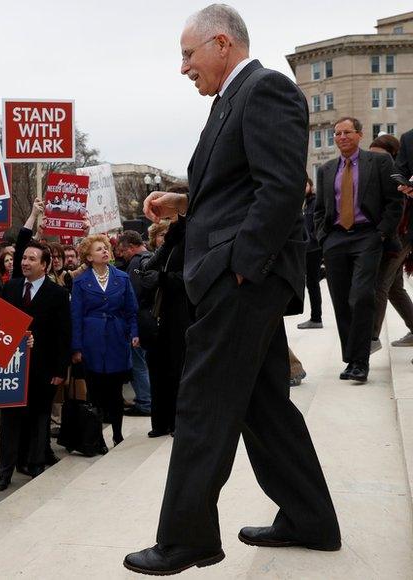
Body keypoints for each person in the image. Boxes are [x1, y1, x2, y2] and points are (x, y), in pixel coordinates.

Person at [125, 6, 341, 574]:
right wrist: (184, 200)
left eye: (188, 55)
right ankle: (310, 518)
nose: (183, 68)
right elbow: (237, 181)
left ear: (221, 43)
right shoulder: (233, 99)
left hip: (243, 278)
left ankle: (187, 537)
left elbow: (280, 188)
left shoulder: (265, 89)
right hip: (239, 274)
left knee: (201, 403)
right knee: (264, 405)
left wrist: (242, 266)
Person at [314, 116, 403, 382]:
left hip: (368, 236)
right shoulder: (326, 169)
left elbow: (395, 201)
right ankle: (351, 359)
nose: (342, 137)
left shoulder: (378, 162)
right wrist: (324, 237)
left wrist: (381, 233)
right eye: (337, 133)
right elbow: (320, 209)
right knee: (342, 302)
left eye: (347, 132)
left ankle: (360, 361)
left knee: (362, 296)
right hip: (336, 239)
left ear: (360, 135)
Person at [0, 198, 70, 491]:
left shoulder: (56, 294)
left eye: (31, 259)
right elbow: (23, 239)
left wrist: (59, 369)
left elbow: (64, 333)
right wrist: (33, 213)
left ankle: (35, 462)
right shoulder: (11, 286)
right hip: (12, 367)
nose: (24, 262)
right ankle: (5, 471)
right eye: (23, 258)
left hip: (44, 367)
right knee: (10, 420)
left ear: (45, 265)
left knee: (39, 418)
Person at [71, 234, 138, 449]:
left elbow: (131, 311)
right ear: (89, 257)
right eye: (99, 249)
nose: (104, 251)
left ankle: (118, 434)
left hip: (117, 339)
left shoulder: (122, 278)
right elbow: (76, 316)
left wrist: (134, 333)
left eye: (106, 248)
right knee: (95, 392)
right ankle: (97, 438)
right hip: (92, 341)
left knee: (115, 392)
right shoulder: (81, 282)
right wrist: (77, 347)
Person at [142, 216, 190, 438]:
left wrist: (162, 278)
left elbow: (190, 278)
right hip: (159, 318)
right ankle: (161, 422)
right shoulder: (170, 244)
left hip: (181, 315)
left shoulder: (190, 240)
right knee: (159, 371)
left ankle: (179, 421)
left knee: (178, 369)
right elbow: (147, 267)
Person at [370, 133, 413, 349]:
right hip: (391, 235)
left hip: (404, 233)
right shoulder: (380, 174)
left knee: (380, 283)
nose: (373, 160)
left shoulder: (396, 175)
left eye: (379, 156)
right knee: (394, 287)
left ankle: (371, 338)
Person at [120, 230, 153, 417]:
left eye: (123, 251)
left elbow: (132, 296)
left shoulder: (135, 263)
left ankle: (145, 401)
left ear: (131, 247)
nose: (122, 255)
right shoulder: (153, 257)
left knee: (138, 364)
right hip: (152, 319)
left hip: (139, 321)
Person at [298, 177, 324, 329]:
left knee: (312, 283)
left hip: (313, 248)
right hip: (308, 248)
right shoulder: (305, 204)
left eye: (305, 185)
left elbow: (316, 224)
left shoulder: (313, 202)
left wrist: (313, 239)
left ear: (310, 186)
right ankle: (315, 317)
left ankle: (316, 318)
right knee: (311, 281)